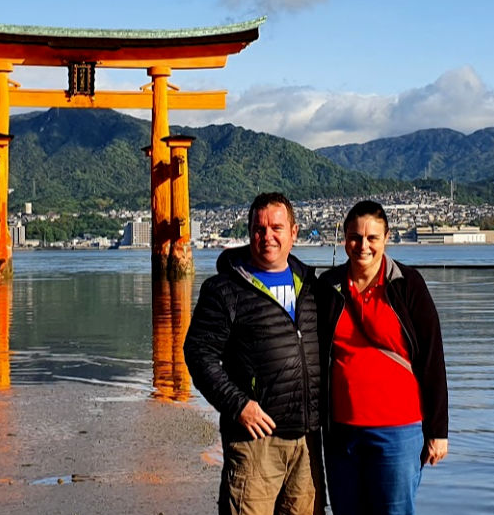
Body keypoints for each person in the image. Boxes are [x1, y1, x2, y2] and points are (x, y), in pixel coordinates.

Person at [184, 192, 324, 515]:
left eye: (277, 227)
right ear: (249, 233)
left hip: (306, 440)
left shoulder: (312, 286)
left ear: (294, 232)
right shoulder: (224, 289)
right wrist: (238, 405)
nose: (268, 236)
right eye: (259, 229)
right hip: (254, 441)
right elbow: (198, 353)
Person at [317, 200, 448, 515]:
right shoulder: (328, 287)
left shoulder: (407, 284)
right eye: (354, 237)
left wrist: (438, 430)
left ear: (386, 237)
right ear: (344, 238)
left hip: (398, 432)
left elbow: (432, 358)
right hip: (341, 431)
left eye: (372, 238)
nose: (363, 245)